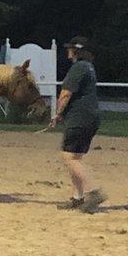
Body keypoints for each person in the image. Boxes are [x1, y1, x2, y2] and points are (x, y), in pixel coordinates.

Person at [50, 36, 107, 213]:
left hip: (79, 118)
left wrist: (58, 113)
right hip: (89, 118)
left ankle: (94, 191)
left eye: (71, 48)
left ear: (77, 51)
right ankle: (78, 197)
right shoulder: (88, 67)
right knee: (75, 157)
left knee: (69, 157)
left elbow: (66, 93)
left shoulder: (78, 68)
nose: (68, 51)